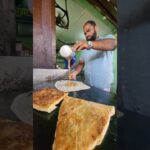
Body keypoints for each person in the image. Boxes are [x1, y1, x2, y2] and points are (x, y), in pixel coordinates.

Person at [70, 20, 117, 92]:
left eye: (88, 31)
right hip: (87, 86)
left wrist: (89, 44)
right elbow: (81, 63)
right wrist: (75, 72)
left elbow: (113, 44)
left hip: (103, 88)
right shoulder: (85, 49)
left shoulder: (106, 39)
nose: (86, 35)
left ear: (96, 28)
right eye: (85, 33)